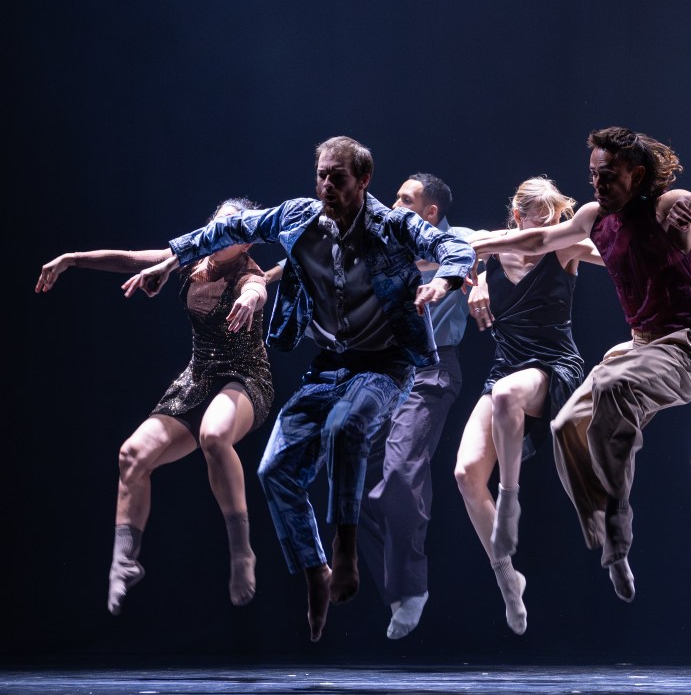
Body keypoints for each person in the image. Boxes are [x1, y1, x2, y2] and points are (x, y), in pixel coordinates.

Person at [121, 137, 475, 641]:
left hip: (386, 362)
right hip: (330, 364)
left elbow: (453, 246)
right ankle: (315, 571)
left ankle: (345, 550)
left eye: (339, 178)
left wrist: (447, 280)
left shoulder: (393, 225)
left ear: (363, 181)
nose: (327, 186)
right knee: (275, 470)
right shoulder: (297, 217)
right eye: (322, 176)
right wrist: (170, 261)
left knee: (346, 427)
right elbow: (230, 228)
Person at [471, 127, 691, 601]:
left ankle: (617, 525)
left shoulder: (663, 206)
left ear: (636, 174)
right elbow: (538, 239)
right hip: (639, 348)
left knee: (611, 387)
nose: (597, 184)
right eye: (593, 174)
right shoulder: (593, 217)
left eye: (607, 175)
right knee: (566, 424)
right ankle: (607, 541)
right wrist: (475, 249)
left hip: (685, 351)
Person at [36, 198, 272, 615]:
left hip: (245, 377)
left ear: (246, 245)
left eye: (233, 233)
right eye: (216, 226)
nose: (220, 237)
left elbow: (257, 289)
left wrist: (253, 298)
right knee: (132, 454)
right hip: (197, 379)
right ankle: (124, 562)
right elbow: (127, 259)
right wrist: (70, 259)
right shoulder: (188, 258)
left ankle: (241, 554)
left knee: (214, 436)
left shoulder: (247, 274)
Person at [454, 177, 602, 633]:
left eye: (555, 222)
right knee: (465, 473)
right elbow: (435, 249)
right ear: (516, 219)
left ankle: (510, 498)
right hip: (507, 366)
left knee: (507, 394)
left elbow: (620, 258)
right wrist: (470, 271)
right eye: (538, 223)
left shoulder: (565, 249)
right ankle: (507, 578)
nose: (547, 232)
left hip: (555, 365)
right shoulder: (488, 248)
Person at [352, 173, 477, 640]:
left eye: (405, 199)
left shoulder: (457, 240)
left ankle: (410, 588)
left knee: (402, 474)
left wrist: (475, 282)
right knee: (352, 484)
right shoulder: (387, 242)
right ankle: (399, 588)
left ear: (430, 212)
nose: (394, 204)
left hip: (432, 370)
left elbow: (498, 244)